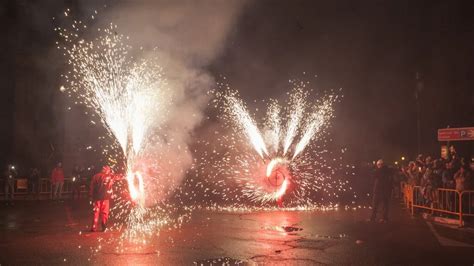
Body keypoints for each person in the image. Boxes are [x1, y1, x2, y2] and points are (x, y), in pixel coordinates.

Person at [89, 165, 121, 232]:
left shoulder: (95, 176)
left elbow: (91, 186)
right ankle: (104, 227)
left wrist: (91, 196)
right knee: (104, 213)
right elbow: (118, 177)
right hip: (105, 197)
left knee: (96, 212)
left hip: (96, 197)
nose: (109, 171)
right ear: (106, 170)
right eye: (108, 169)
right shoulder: (110, 176)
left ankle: (94, 228)